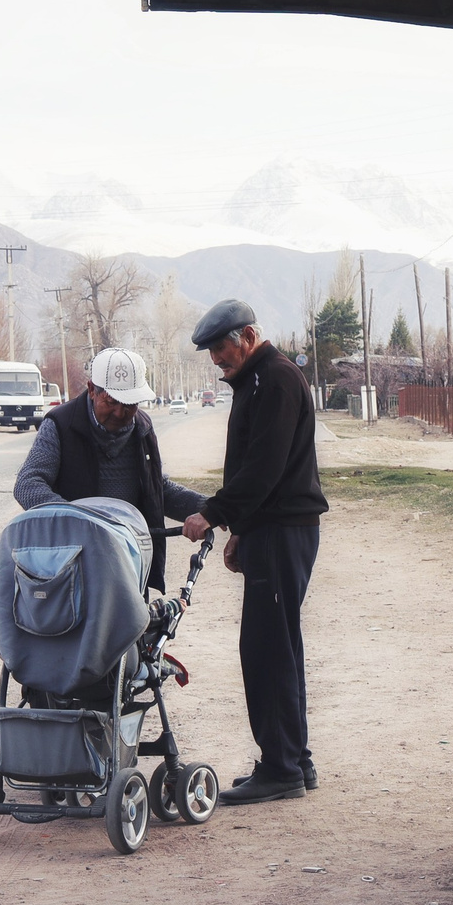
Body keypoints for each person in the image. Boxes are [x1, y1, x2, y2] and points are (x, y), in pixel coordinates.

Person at [181, 300, 328, 805]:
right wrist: (242, 529)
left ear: (246, 336)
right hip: (272, 529)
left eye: (220, 349)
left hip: (285, 531)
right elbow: (261, 471)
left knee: (266, 651)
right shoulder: (260, 380)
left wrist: (214, 515)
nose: (216, 360)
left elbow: (263, 469)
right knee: (278, 647)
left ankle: (280, 768)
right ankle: (294, 761)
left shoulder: (276, 379)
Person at [14, 347, 205, 593]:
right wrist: (79, 520)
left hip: (129, 561)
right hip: (71, 565)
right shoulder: (60, 425)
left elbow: (158, 489)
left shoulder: (142, 427)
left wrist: (210, 508)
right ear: (92, 389)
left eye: (130, 404)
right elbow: (28, 484)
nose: (120, 413)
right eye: (112, 402)